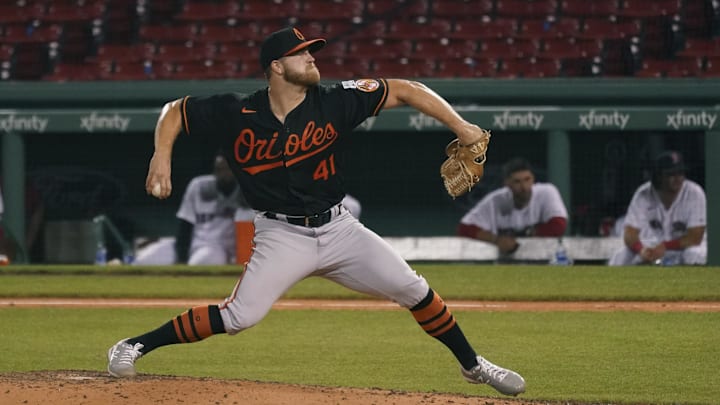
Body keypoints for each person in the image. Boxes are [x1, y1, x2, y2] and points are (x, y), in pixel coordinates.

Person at [107, 27, 525, 396]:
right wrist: (160, 157)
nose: (312, 57)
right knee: (239, 316)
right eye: (302, 52)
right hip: (282, 235)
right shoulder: (238, 111)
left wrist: (464, 128)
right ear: (276, 66)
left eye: (313, 51)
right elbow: (175, 110)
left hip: (340, 228)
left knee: (414, 290)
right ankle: (133, 345)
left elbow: (404, 88)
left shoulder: (334, 101)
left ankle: (473, 365)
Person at [133, 154, 252, 265]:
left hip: (217, 248)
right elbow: (185, 225)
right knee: (143, 261)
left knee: (199, 263)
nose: (223, 173)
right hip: (191, 243)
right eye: (219, 169)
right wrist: (181, 257)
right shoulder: (199, 185)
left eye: (227, 169)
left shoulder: (247, 192)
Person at [608, 151, 706, 266]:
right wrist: (640, 249)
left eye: (680, 173)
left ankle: (693, 283)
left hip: (684, 246)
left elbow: (695, 237)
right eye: (671, 174)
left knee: (695, 254)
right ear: (659, 175)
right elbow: (630, 233)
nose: (678, 178)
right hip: (654, 245)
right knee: (621, 256)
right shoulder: (643, 193)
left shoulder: (694, 192)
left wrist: (665, 246)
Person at [457, 157, 568, 255]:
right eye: (517, 182)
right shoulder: (496, 199)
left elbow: (558, 225)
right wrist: (496, 240)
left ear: (533, 179)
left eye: (527, 179)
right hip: (507, 266)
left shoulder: (546, 192)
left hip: (542, 261)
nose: (524, 187)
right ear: (507, 184)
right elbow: (465, 229)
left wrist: (523, 236)